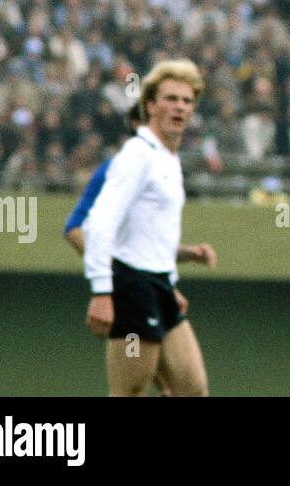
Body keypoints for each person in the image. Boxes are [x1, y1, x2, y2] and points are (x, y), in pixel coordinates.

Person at [64, 103, 217, 395]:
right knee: (134, 385)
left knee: (186, 387)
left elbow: (144, 246)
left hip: (153, 288)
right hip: (131, 290)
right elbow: (75, 228)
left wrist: (188, 254)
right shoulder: (119, 166)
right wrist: (114, 280)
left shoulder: (164, 167)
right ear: (137, 123)